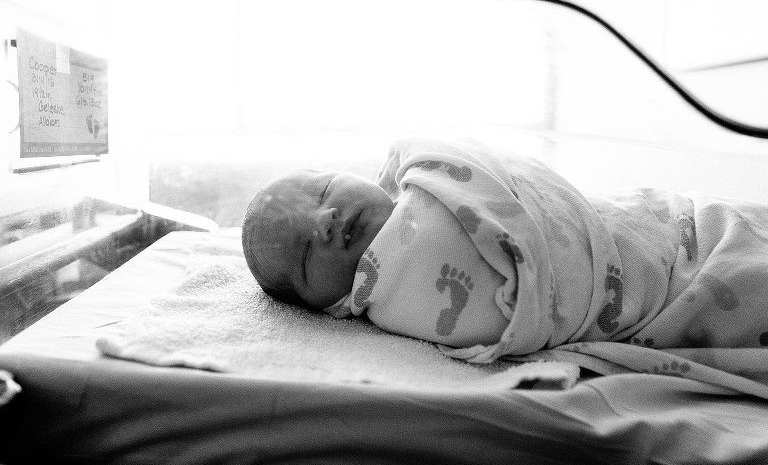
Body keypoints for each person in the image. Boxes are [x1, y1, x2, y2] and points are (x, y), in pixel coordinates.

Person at [242, 137, 768, 397]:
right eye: (307, 254)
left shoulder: (416, 175)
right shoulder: (394, 289)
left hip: (654, 221)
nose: (326, 221)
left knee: (729, 226)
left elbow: (495, 167)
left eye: (324, 191)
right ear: (329, 306)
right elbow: (494, 308)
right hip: (659, 286)